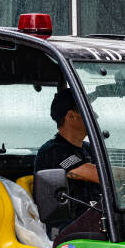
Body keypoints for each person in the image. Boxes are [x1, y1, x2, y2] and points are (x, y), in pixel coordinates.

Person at [35, 90, 102, 228]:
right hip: (69, 230)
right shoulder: (53, 151)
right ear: (71, 116)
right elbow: (101, 175)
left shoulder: (89, 149)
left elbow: (103, 184)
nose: (95, 116)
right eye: (87, 111)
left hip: (95, 219)